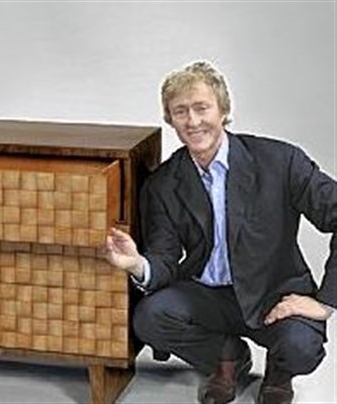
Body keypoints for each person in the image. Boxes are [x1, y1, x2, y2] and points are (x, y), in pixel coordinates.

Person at [105, 61, 335, 404]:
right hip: (207, 295)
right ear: (170, 119)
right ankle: (226, 358)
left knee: (302, 347)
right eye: (180, 111)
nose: (192, 121)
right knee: (149, 318)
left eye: (202, 108)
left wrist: (326, 303)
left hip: (273, 293)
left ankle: (279, 371)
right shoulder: (163, 184)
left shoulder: (281, 161)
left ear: (224, 111)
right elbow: (165, 257)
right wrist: (137, 264)